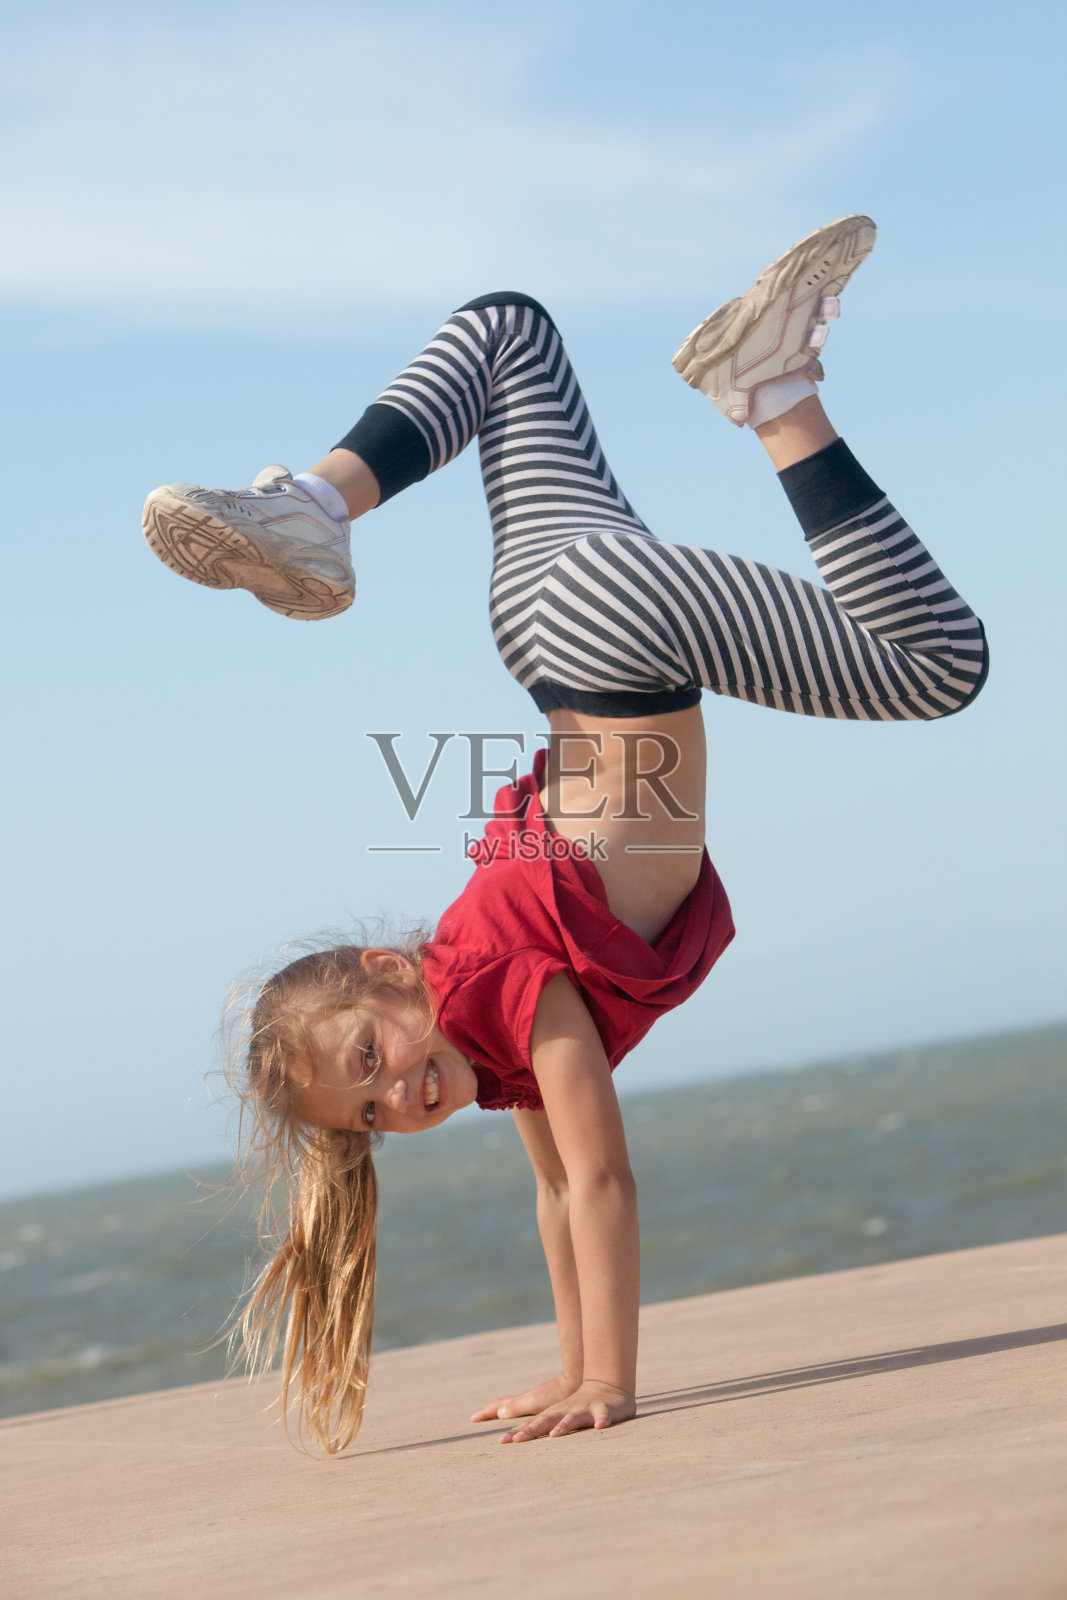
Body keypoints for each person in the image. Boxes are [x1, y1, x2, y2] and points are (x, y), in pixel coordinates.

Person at [142, 217, 988, 1453]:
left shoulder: (496, 987)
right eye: (373, 1111)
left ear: (390, 973)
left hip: (612, 634)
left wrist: (616, 1386)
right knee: (506, 331)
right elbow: (550, 1191)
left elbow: (600, 1181)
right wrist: (568, 1366)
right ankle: (319, 502)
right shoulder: (483, 1031)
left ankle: (773, 394)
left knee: (934, 664)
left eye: (370, 1054)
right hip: (547, 617)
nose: (398, 1091)